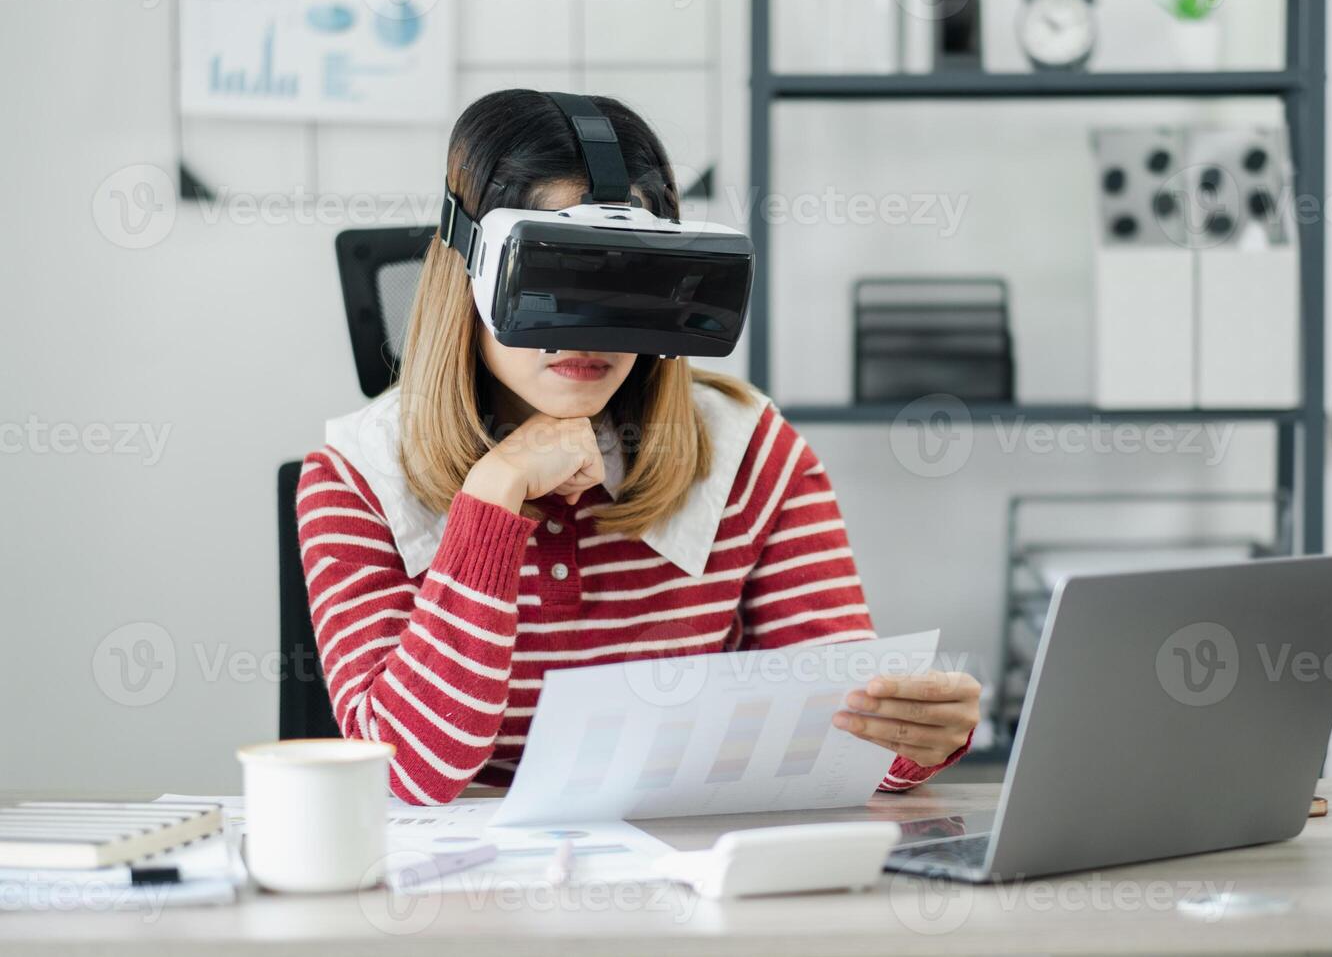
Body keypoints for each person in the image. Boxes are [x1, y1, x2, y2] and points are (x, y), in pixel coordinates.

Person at [296, 89, 981, 805]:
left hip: (685, 873)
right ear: (468, 271)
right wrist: (493, 496)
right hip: (462, 895)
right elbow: (409, 774)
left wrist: (914, 738)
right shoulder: (355, 478)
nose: (589, 333)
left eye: (624, 279)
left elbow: (836, 732)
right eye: (555, 277)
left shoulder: (750, 453)